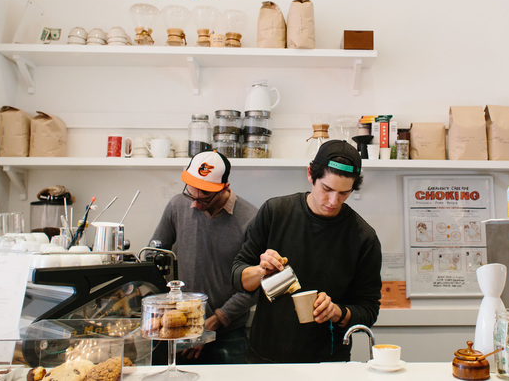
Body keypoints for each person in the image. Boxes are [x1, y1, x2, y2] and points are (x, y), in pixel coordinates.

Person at [231, 140, 382, 363]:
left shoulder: (363, 237)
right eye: (327, 189)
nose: (333, 201)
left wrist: (337, 312)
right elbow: (237, 276)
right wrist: (260, 271)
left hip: (327, 362)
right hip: (266, 357)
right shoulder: (275, 213)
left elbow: (368, 309)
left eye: (344, 193)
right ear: (311, 174)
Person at [151, 150, 258, 364]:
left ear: (225, 188)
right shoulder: (177, 205)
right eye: (191, 194)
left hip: (228, 332)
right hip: (179, 325)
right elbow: (154, 257)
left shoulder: (251, 219)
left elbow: (256, 284)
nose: (194, 204)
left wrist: (215, 321)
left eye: (204, 198)